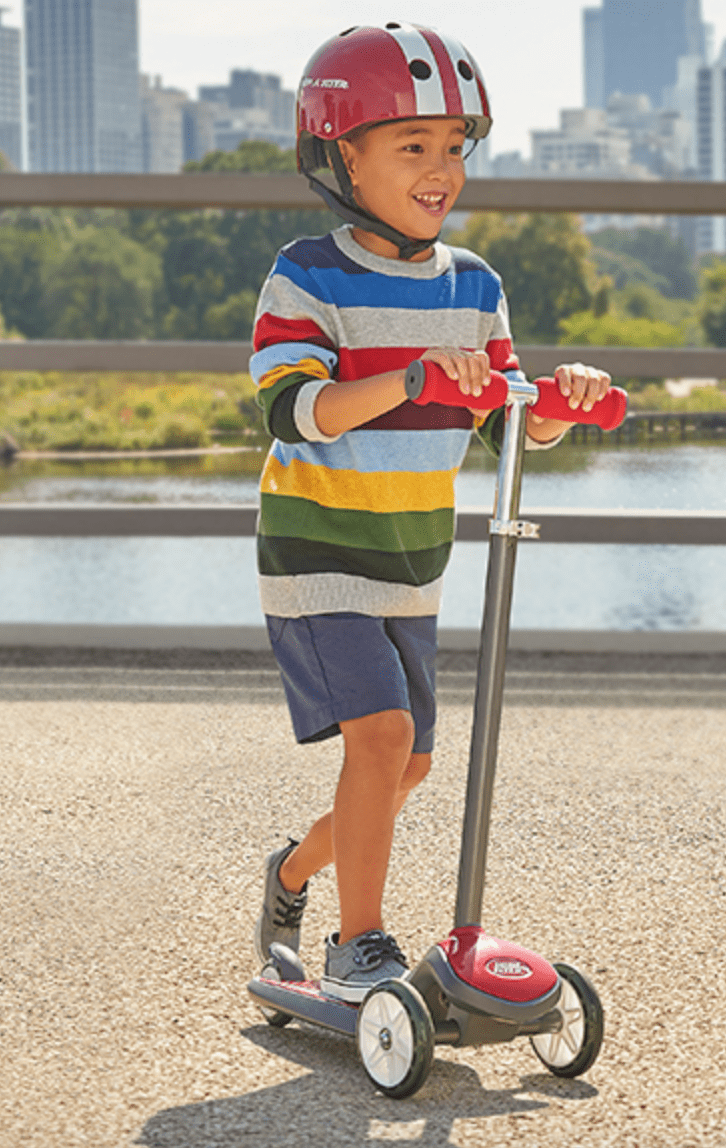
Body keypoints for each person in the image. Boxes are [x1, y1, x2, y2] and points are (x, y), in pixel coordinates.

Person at [252, 23, 611, 1003]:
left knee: (403, 765)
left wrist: (559, 407)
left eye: (454, 146)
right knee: (376, 738)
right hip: (319, 549)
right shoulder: (306, 274)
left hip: (414, 559)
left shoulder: (474, 285)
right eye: (412, 145)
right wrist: (406, 376)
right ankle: (356, 942)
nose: (441, 168)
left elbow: (510, 421)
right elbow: (295, 408)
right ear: (342, 155)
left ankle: (290, 873)